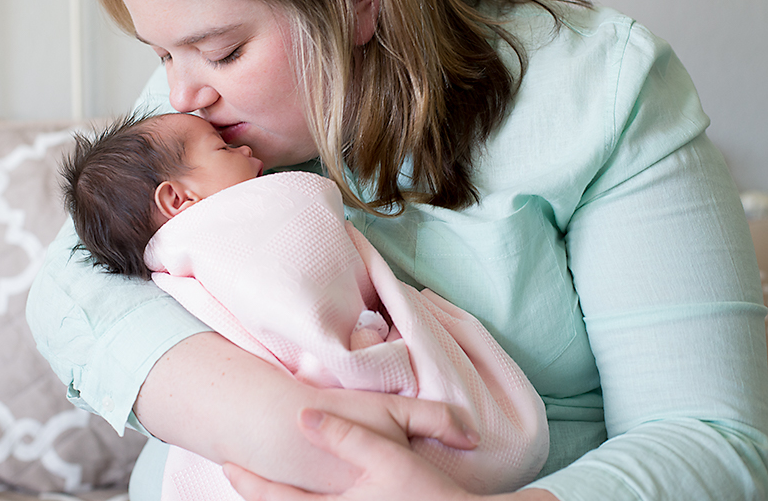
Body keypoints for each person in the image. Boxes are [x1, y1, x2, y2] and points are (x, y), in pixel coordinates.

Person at [25, 0, 768, 499]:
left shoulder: (599, 89)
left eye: (223, 51)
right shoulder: (202, 103)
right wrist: (282, 429)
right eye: (163, 55)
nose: (183, 91)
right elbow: (76, 284)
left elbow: (710, 435)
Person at [59, 110, 549, 498]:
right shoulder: (241, 229)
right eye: (224, 147)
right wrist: (364, 348)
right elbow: (299, 301)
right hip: (336, 412)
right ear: (177, 199)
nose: (245, 147)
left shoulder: (175, 257)